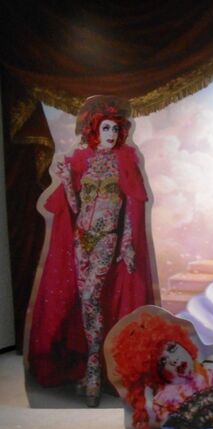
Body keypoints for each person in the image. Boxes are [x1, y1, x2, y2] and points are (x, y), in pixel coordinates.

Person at [28, 95, 154, 407]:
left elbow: (132, 206)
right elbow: (73, 207)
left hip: (106, 239)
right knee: (85, 301)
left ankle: (95, 369)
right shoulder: (82, 160)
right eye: (106, 128)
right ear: (95, 131)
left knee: (90, 297)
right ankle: (90, 364)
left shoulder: (125, 160)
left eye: (116, 129)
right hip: (80, 239)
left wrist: (127, 243)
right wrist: (66, 180)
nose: (112, 134)